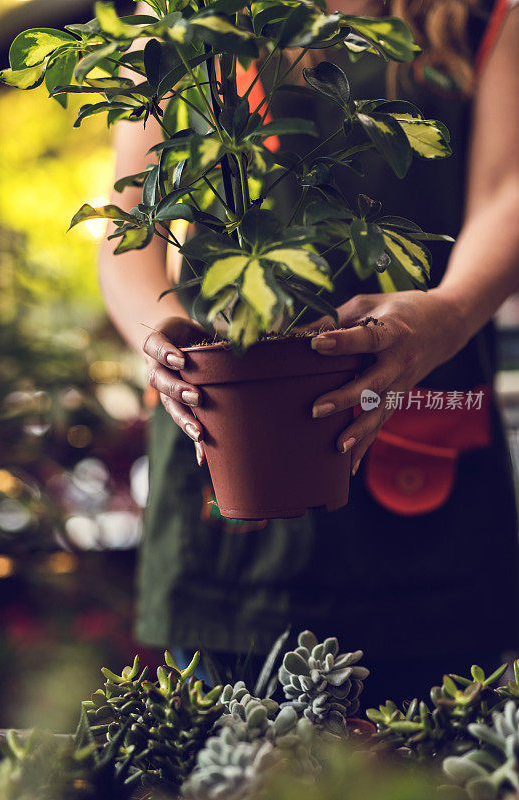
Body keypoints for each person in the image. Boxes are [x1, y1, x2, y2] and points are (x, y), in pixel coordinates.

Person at [99, 0, 519, 706]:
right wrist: (157, 332)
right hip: (223, 470)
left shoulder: (484, 14)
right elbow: (126, 226)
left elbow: (507, 192)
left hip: (429, 484)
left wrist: (447, 314)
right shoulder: (182, 15)